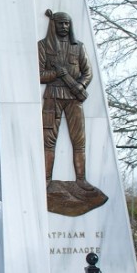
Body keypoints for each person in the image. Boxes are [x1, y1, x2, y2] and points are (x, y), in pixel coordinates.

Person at [39, 10, 94, 191]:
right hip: (52, 96)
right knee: (48, 140)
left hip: (74, 98)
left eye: (66, 23)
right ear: (53, 24)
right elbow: (39, 74)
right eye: (60, 23)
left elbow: (88, 72)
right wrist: (56, 73)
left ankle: (81, 179)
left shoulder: (79, 46)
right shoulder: (43, 46)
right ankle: (46, 179)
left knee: (79, 140)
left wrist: (80, 85)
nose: (63, 26)